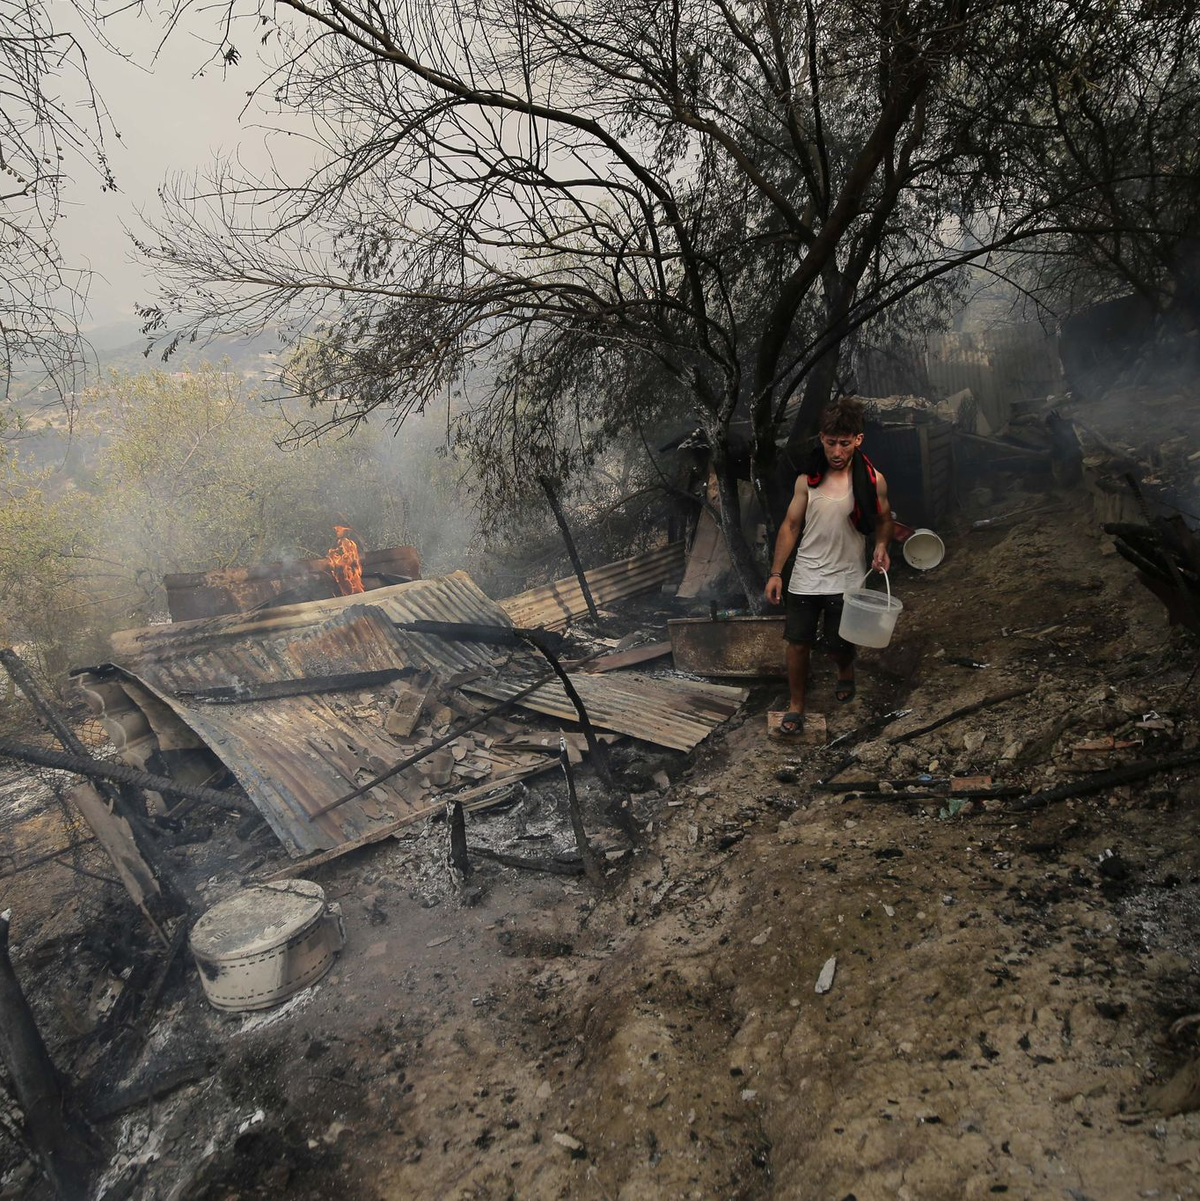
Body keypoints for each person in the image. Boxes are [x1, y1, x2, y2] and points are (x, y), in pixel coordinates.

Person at [764, 396, 893, 734]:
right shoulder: (807, 480)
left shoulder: (873, 479)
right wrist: (777, 572)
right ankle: (796, 705)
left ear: (858, 440)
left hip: (847, 578)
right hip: (806, 576)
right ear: (821, 438)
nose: (837, 452)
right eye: (831, 442)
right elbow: (790, 527)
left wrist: (881, 545)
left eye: (845, 444)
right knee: (797, 642)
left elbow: (884, 519)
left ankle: (845, 671)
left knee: (838, 645)